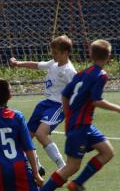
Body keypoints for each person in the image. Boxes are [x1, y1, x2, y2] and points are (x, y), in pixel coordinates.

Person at [39, 39, 120, 191]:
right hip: (80, 127)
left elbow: (65, 95)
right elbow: (96, 100)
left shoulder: (82, 73)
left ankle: (77, 184)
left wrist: (69, 117)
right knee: (72, 167)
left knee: (107, 152)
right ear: (109, 56)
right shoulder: (100, 75)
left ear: (90, 54)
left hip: (83, 125)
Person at [9, 35, 76, 176]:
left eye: (55, 52)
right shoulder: (54, 63)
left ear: (65, 53)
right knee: (26, 137)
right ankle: (37, 166)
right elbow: (36, 65)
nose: (53, 55)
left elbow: (77, 91)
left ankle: (62, 166)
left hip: (58, 106)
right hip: (45, 104)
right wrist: (18, 63)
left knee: (41, 134)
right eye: (52, 52)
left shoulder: (69, 71)